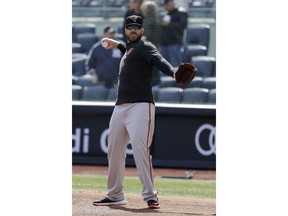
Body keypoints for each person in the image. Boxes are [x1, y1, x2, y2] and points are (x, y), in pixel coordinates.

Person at [92, 15, 178, 209]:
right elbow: (129, 49)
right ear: (125, 29)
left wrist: (173, 72)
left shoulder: (145, 46)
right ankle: (115, 194)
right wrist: (117, 45)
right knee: (114, 150)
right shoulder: (129, 49)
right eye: (129, 27)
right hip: (120, 106)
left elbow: (159, 60)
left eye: (136, 28)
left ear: (142, 30)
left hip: (141, 105)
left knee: (140, 149)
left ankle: (150, 195)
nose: (133, 30)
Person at [158, 0, 188, 67]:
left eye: (168, 4)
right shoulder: (165, 14)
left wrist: (169, 24)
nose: (166, 7)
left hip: (174, 42)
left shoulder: (181, 13)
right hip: (163, 43)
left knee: (175, 65)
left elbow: (182, 25)